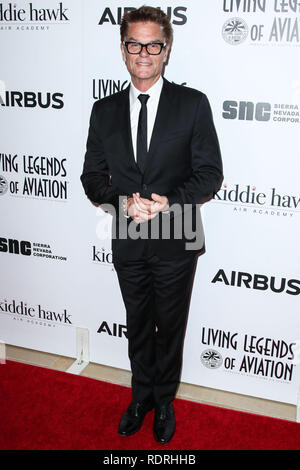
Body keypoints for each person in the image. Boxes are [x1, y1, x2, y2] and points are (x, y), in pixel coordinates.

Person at [81, 6, 223, 444]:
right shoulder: (103, 111)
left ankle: (164, 402)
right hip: (128, 235)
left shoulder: (192, 103)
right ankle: (139, 396)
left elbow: (209, 173)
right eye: (134, 44)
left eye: (153, 45)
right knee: (138, 321)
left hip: (176, 234)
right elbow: (91, 177)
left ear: (166, 50)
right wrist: (122, 203)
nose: (143, 53)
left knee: (171, 324)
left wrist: (167, 203)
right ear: (123, 50)